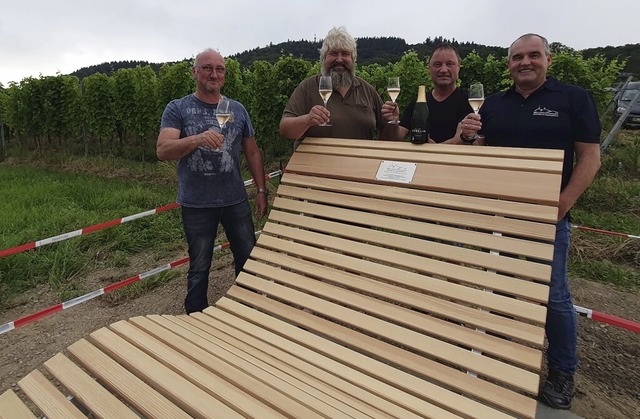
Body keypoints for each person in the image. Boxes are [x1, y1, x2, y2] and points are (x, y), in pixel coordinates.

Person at [461, 33, 601, 410]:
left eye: (533, 55)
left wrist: (564, 202)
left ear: (548, 59)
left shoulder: (573, 99)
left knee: (554, 296)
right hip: (502, 215)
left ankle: (561, 370)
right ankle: (499, 350)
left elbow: (590, 157)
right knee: (500, 286)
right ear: (508, 64)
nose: (525, 62)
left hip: (549, 217)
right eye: (517, 57)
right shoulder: (493, 104)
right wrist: (470, 138)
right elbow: (482, 154)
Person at [156, 48, 268, 314]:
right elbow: (162, 150)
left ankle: (249, 311)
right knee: (199, 266)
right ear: (195, 72)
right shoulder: (178, 108)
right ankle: (196, 319)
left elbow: (251, 151)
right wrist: (197, 139)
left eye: (219, 69)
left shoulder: (237, 109)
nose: (213, 74)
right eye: (207, 68)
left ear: (224, 76)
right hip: (196, 203)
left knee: (247, 259)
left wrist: (261, 189)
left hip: (235, 200)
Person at [279, 26, 399, 142]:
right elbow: (285, 129)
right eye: (333, 53)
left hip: (359, 162)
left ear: (353, 59)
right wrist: (307, 120)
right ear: (324, 58)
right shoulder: (307, 87)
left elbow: (388, 138)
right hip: (316, 162)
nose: (339, 59)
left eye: (345, 54)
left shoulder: (368, 90)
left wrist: (392, 122)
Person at [395, 43, 473, 143]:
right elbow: (396, 137)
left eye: (449, 64)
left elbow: (460, 139)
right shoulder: (419, 102)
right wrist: (392, 123)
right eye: (437, 64)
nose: (444, 70)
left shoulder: (468, 99)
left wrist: (432, 149)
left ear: (458, 68)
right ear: (429, 69)